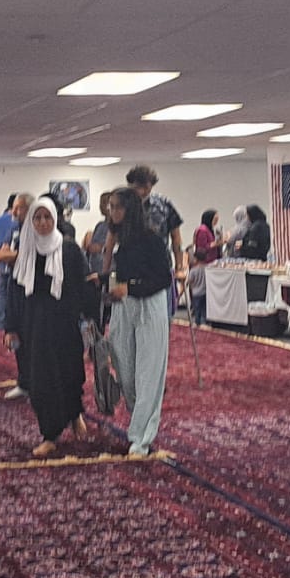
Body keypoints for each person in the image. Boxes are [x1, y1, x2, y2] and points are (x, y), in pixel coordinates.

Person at [6, 196, 98, 458]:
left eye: (47, 217)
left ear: (55, 219)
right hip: (35, 326)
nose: (43, 223)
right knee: (40, 382)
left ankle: (74, 413)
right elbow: (16, 290)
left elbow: (82, 286)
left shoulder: (69, 250)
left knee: (70, 374)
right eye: (37, 218)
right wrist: (11, 327)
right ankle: (50, 434)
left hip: (65, 323)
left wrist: (91, 319)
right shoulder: (26, 250)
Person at [107, 189, 173, 456]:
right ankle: (138, 416)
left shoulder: (151, 240)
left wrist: (132, 288)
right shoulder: (121, 240)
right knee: (124, 365)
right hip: (125, 306)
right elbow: (122, 275)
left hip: (149, 305)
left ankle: (142, 437)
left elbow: (163, 279)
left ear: (130, 210)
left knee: (148, 372)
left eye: (117, 207)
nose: (112, 212)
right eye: (111, 207)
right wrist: (104, 282)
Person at [0, 193, 33, 395]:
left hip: (32, 292)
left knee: (33, 341)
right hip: (14, 284)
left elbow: (32, 256)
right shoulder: (14, 229)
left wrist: (14, 256)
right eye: (14, 207)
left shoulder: (36, 230)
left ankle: (36, 384)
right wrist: (14, 256)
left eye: (19, 208)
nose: (14, 212)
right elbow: (1, 254)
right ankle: (24, 383)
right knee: (17, 336)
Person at [126, 164, 186, 287]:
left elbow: (176, 238)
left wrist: (179, 267)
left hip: (160, 266)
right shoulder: (123, 205)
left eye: (146, 187)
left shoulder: (164, 205)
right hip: (131, 267)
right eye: (137, 187)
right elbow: (112, 240)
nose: (142, 191)